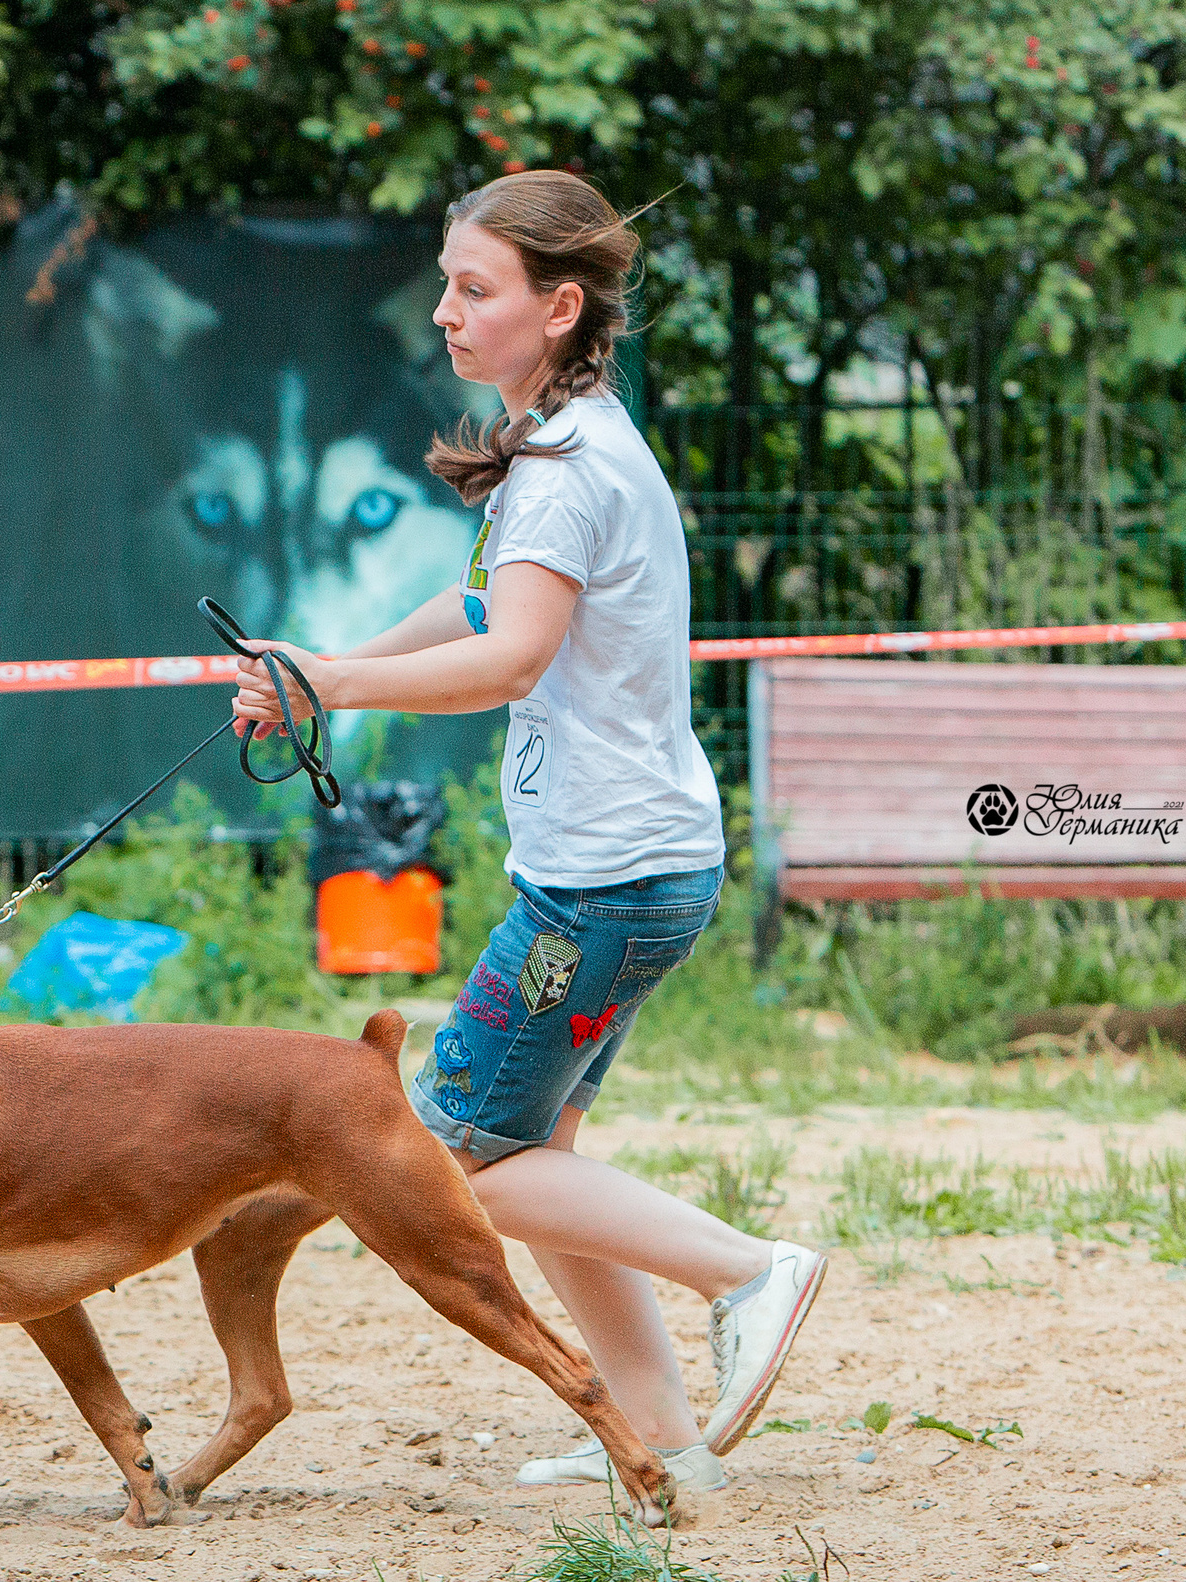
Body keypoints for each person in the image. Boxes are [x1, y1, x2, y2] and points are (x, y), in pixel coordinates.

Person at [228, 169, 825, 1492]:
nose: (445, 311)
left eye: (473, 288)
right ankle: (661, 1438)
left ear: (559, 308)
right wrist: (323, 666)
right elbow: (481, 607)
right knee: (532, 1152)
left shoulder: (560, 468)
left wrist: (334, 685)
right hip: (627, 871)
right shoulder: (560, 446)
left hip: (604, 887)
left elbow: (511, 657)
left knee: (451, 1159)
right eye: (446, 285)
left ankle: (751, 1271)